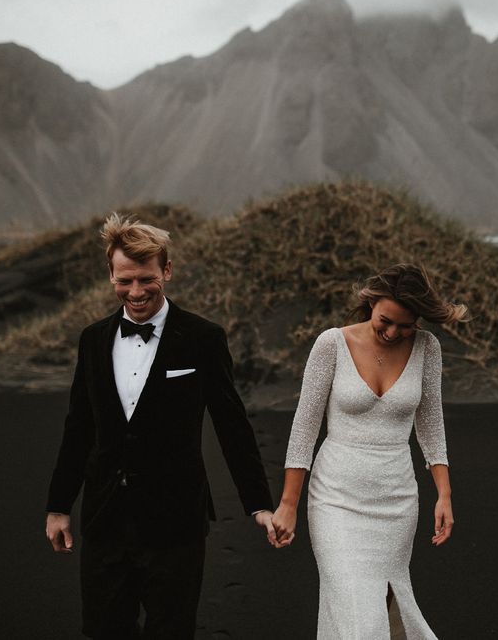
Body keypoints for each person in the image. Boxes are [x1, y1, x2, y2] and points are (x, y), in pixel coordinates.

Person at [45, 213, 277, 639]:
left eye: (146, 279)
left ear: (166, 271)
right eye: (124, 280)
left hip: (176, 522)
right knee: (103, 630)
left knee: (171, 630)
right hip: (105, 519)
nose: (136, 292)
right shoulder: (93, 340)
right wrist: (59, 506)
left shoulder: (203, 338)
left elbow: (232, 424)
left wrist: (259, 504)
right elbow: (79, 427)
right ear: (111, 275)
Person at [272, 264, 468, 639]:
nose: (393, 333)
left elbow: (431, 424)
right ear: (371, 302)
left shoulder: (428, 348)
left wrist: (444, 493)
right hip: (335, 500)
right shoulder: (331, 344)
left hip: (396, 501)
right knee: (359, 608)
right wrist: (288, 504)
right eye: (386, 321)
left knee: (388, 604)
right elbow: (304, 428)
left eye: (405, 326)